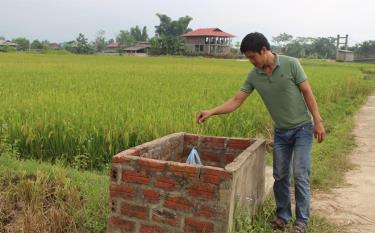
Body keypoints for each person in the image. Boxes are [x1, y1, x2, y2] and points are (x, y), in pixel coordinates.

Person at [196, 32, 325, 233]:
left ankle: (301, 222)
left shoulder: (291, 64)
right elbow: (236, 100)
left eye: (252, 57)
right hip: (281, 132)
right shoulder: (254, 75)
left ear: (264, 50)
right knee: (280, 175)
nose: (250, 61)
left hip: (302, 128)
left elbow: (307, 92)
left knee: (300, 174)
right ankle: (282, 216)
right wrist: (211, 111)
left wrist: (318, 121)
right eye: (247, 58)